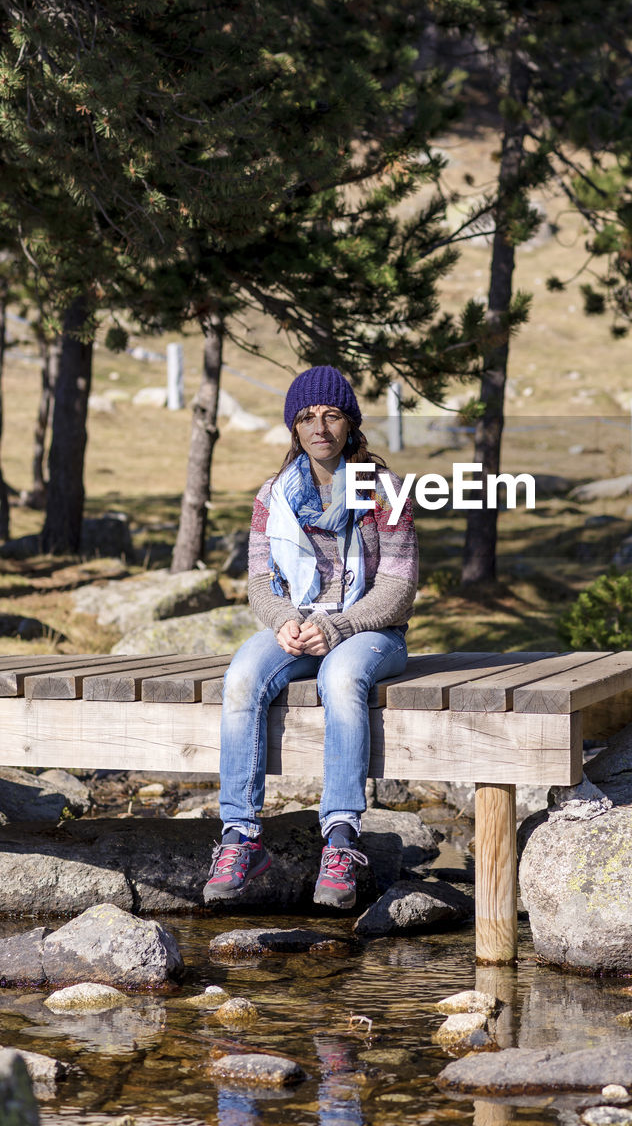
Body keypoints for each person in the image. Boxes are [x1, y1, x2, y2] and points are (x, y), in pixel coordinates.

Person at [203, 365, 417, 909]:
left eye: (331, 414)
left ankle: (342, 839)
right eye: (306, 417)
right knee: (243, 676)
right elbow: (258, 581)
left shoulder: (384, 491)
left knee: (341, 676)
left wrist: (337, 626)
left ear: (350, 424)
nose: (319, 426)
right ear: (293, 428)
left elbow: (398, 587)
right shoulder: (273, 495)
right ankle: (240, 837)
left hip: (372, 632)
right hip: (297, 627)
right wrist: (284, 622)